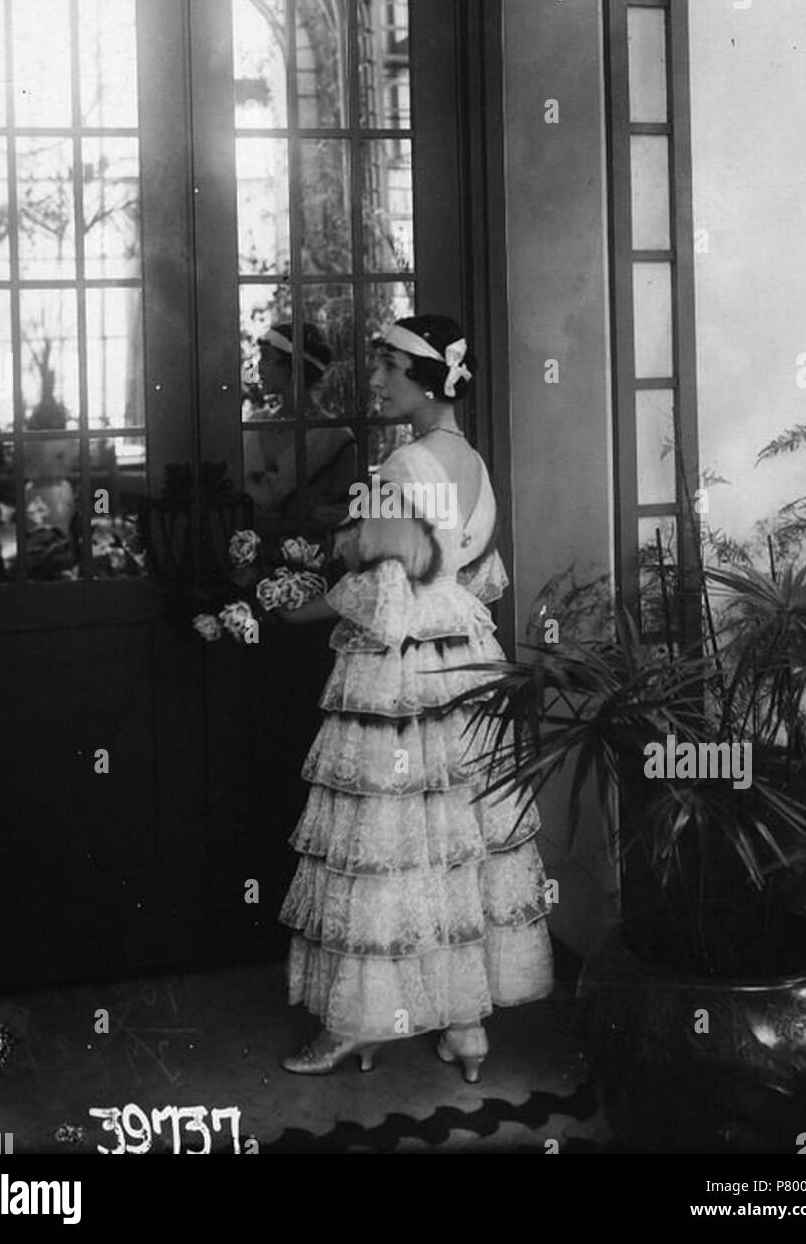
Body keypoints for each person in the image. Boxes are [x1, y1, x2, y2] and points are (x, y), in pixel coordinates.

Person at [274, 314, 555, 1080]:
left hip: (399, 673)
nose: (374, 381)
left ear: (428, 381)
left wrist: (292, 610)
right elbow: (478, 580)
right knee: (452, 839)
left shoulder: (402, 466)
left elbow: (380, 592)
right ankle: (465, 1028)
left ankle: (356, 1024)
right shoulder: (473, 464)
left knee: (385, 843)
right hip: (465, 661)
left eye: (388, 369)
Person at [242, 322, 356, 539]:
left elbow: (350, 512)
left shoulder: (335, 436)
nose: (259, 368)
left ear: (291, 366)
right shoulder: (255, 423)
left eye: (266, 358)